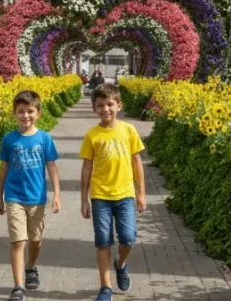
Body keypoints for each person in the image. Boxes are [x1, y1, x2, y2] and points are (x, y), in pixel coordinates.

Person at [79, 83, 147, 301]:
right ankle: (105, 287)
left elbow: (137, 162)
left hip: (125, 194)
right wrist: (84, 199)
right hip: (100, 196)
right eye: (100, 106)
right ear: (94, 109)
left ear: (119, 105)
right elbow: (87, 167)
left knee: (128, 238)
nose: (105, 109)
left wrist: (141, 193)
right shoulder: (92, 135)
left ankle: (120, 263)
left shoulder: (128, 130)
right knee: (103, 242)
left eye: (110, 104)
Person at [0, 90, 62, 301]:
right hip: (14, 196)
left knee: (36, 240)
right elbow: (4, 168)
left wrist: (57, 194)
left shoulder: (44, 138)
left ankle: (31, 267)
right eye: (21, 111)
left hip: (37, 198)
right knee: (18, 241)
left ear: (38, 113)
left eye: (30, 111)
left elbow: (51, 167)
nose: (26, 116)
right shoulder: (9, 139)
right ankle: (18, 287)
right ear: (14, 113)